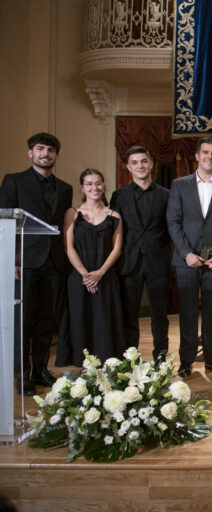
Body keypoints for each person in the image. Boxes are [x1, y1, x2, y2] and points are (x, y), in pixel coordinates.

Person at [0, 133, 72, 395]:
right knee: (23, 320)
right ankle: (21, 374)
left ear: (56, 155)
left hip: (54, 262)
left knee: (45, 320)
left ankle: (40, 369)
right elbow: (5, 224)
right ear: (30, 152)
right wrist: (13, 260)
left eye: (51, 150)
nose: (45, 154)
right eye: (40, 149)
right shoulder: (13, 181)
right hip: (24, 263)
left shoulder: (65, 188)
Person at [167, 138, 212, 378]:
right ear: (197, 156)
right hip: (187, 259)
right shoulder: (179, 185)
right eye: (205, 152)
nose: (210, 156)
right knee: (187, 313)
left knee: (211, 313)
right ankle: (186, 361)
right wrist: (186, 253)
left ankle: (211, 359)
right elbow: (173, 222)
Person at [56, 169, 126, 366]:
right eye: (89, 184)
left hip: (105, 275)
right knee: (80, 318)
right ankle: (83, 363)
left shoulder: (114, 215)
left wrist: (99, 273)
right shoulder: (72, 213)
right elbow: (68, 247)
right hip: (79, 276)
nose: (94, 187)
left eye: (98, 183)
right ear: (82, 187)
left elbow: (117, 249)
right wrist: (86, 275)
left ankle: (107, 363)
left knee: (104, 318)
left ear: (104, 186)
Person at [109, 147, 171, 363]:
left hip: (158, 261)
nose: (140, 166)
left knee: (159, 315)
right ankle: (130, 360)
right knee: (129, 314)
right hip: (129, 262)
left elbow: (171, 229)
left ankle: (161, 360)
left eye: (144, 161)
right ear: (128, 167)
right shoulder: (119, 196)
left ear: (151, 163)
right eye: (134, 162)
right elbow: (113, 230)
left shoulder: (166, 194)